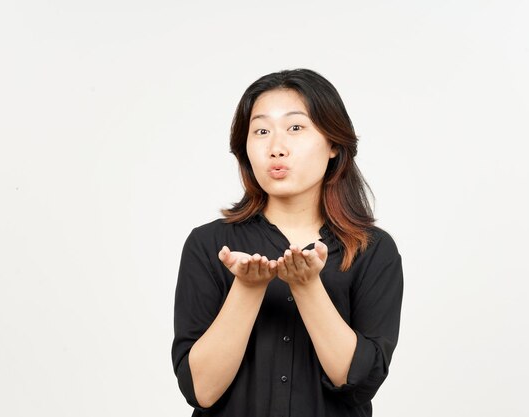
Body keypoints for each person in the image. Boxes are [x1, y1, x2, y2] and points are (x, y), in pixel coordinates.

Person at [171, 68, 403, 417]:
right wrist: (248, 288)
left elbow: (356, 381)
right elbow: (201, 391)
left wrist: (307, 286)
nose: (276, 148)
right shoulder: (208, 244)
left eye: (296, 128)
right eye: (261, 131)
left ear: (333, 145)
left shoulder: (373, 250)